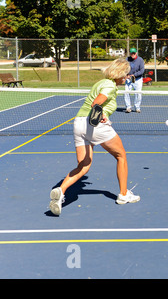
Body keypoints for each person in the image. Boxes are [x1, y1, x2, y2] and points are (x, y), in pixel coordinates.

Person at [49, 58, 140, 216]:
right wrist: (101, 114)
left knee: (83, 166)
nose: (126, 77)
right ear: (118, 73)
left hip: (79, 123)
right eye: (125, 74)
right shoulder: (110, 86)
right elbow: (96, 103)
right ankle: (123, 195)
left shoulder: (101, 82)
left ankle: (60, 191)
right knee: (121, 156)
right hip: (95, 124)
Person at [125, 48, 145, 113]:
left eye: (134, 53)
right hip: (129, 80)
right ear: (130, 53)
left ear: (136, 53)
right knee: (126, 93)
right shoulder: (127, 60)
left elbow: (142, 70)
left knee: (138, 94)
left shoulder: (140, 60)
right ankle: (128, 107)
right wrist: (126, 75)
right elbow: (124, 68)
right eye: (131, 53)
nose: (133, 54)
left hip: (137, 79)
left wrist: (134, 75)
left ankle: (137, 107)